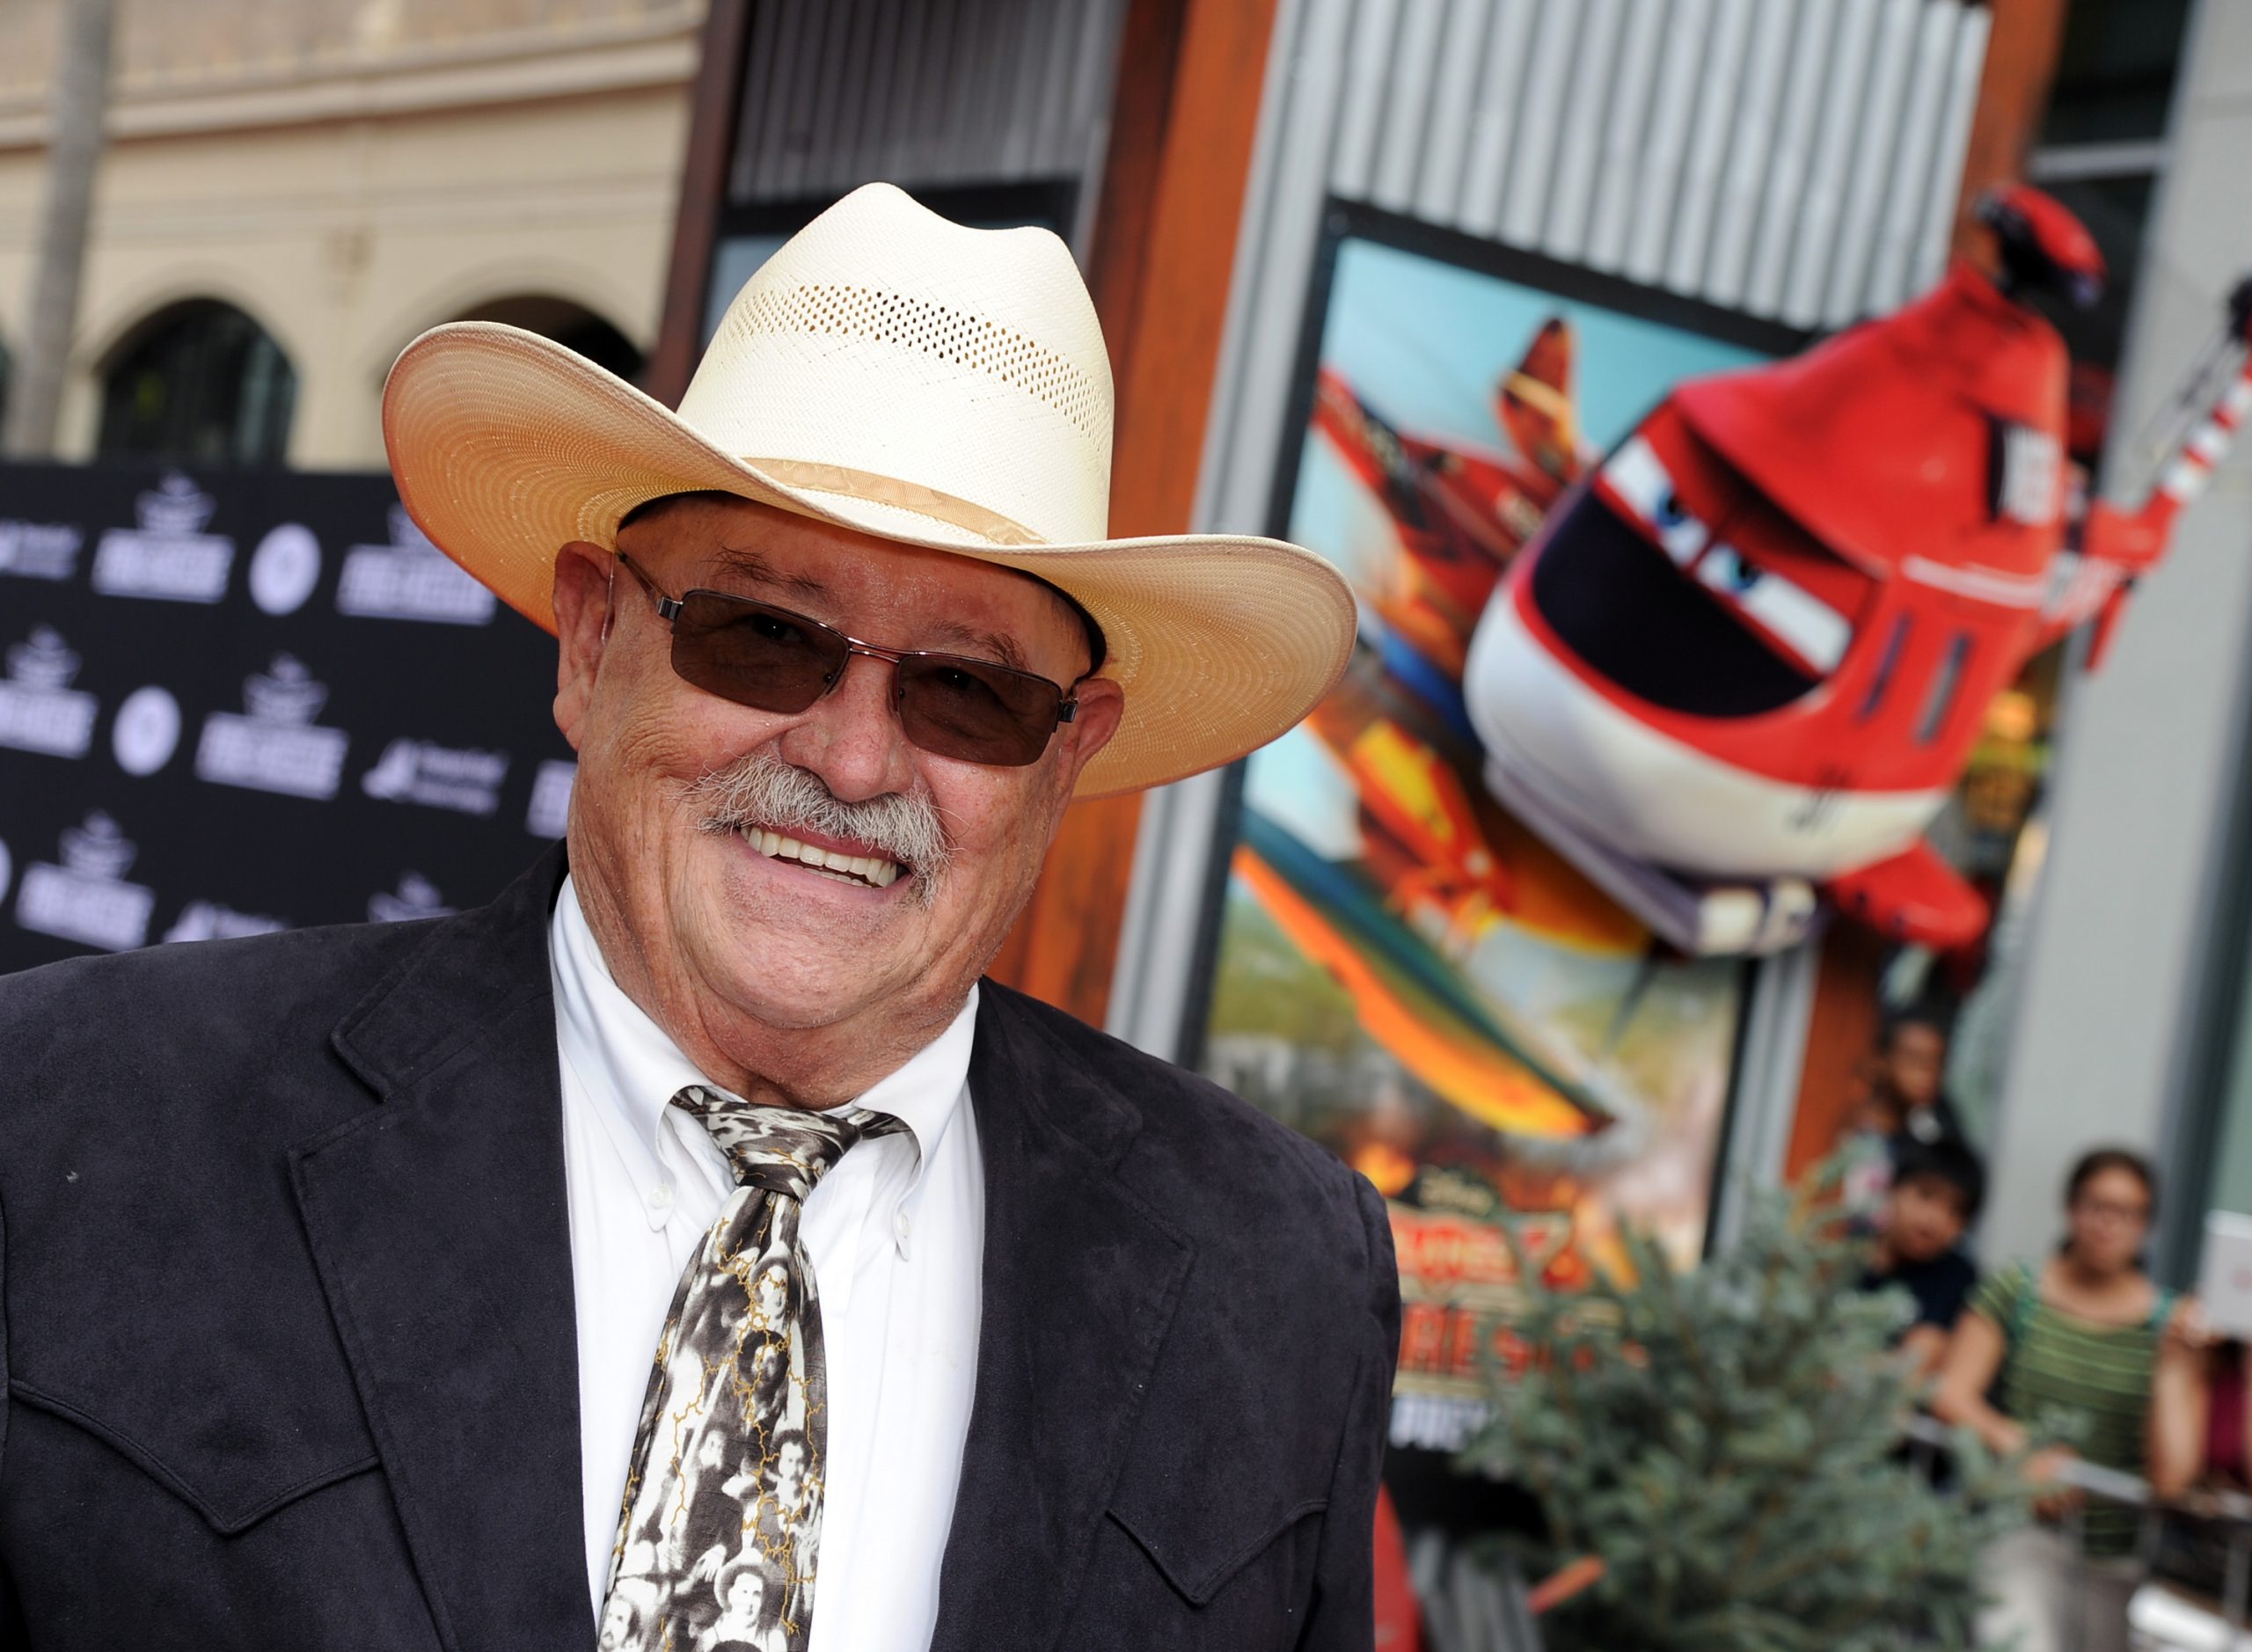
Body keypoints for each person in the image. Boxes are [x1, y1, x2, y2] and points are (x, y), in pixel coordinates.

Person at [0, 184, 1394, 1650]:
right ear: (595, 639)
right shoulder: (76, 1114)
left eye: (968, 690)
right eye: (765, 635)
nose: (854, 760)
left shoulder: (1279, 1273)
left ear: (1066, 756)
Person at [1931, 1148, 2209, 1652]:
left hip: (2112, 1557)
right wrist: (2018, 1445)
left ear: (2147, 1224)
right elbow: (1950, 1391)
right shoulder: (2019, 1290)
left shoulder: (2165, 1322)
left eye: (2127, 1212)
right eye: (2096, 1205)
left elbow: (2173, 1478)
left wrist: (2173, 1364)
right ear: (2071, 1208)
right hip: (2016, 1529)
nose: (2108, 1224)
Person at [1856, 1139, 1985, 1377]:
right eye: (1926, 1195)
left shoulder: (1956, 1277)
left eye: (1955, 1211)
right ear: (1893, 1188)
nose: (1934, 1220)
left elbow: (1912, 1367)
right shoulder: (1843, 1252)